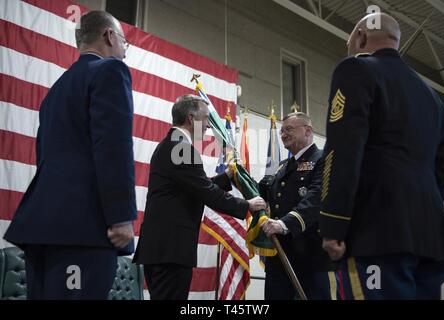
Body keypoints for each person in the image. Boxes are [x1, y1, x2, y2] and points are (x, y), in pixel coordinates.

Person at [4, 11, 136, 299]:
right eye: (125, 42)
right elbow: (113, 147)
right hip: (83, 230)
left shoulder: (57, 89)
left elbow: (45, 155)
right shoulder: (110, 72)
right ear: (109, 36)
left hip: (42, 228)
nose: (125, 51)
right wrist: (121, 215)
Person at [320, 12, 444, 300]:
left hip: (376, 232)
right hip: (430, 237)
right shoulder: (432, 98)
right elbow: (441, 170)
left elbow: (343, 149)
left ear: (361, 37)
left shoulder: (355, 70)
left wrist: (333, 224)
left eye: (350, 40)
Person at [133, 94, 267, 300]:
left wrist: (227, 177)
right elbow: (206, 192)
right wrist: (246, 205)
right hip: (170, 250)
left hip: (163, 248)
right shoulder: (180, 148)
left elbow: (195, 186)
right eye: (205, 119)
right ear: (190, 118)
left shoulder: (173, 145)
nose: (208, 125)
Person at [259, 112, 336, 300]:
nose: (283, 134)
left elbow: (316, 200)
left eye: (289, 129)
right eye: (282, 131)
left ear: (307, 131)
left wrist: (284, 224)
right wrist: (237, 175)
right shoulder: (283, 166)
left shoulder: (324, 160)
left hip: (309, 255)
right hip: (280, 254)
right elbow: (264, 191)